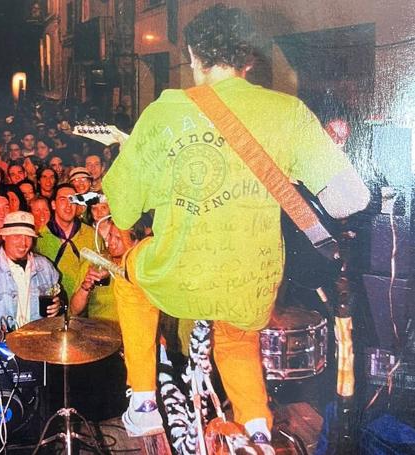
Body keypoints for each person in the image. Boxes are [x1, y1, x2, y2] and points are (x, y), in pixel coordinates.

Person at [102, 4, 370, 450]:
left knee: (127, 272)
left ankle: (144, 399)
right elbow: (351, 200)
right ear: (250, 59)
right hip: (253, 279)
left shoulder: (166, 112)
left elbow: (125, 212)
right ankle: (257, 429)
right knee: (237, 339)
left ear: (191, 55)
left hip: (179, 273)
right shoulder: (288, 110)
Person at [0, 211, 61, 332]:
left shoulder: (45, 266)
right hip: (0, 346)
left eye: (28, 237)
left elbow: (58, 297)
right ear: (4, 236)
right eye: (17, 236)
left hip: (37, 342)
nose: (23, 243)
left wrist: (59, 305)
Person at [34, 184, 95, 300]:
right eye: (63, 200)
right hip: (51, 308)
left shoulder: (91, 235)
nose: (68, 205)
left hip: (84, 308)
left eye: (73, 200)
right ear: (53, 205)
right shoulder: (39, 237)